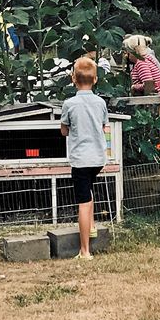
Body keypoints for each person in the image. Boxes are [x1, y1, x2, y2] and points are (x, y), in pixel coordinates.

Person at [60, 57, 109, 261]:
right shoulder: (100, 102)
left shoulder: (69, 104)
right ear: (95, 79)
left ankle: (85, 250)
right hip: (98, 157)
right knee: (89, 193)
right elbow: (104, 127)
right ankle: (92, 227)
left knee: (83, 202)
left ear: (73, 79)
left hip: (80, 158)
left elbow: (64, 131)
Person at [123, 34, 160, 119]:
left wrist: (134, 87)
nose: (126, 55)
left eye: (128, 52)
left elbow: (149, 84)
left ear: (134, 51)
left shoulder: (141, 63)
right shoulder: (148, 57)